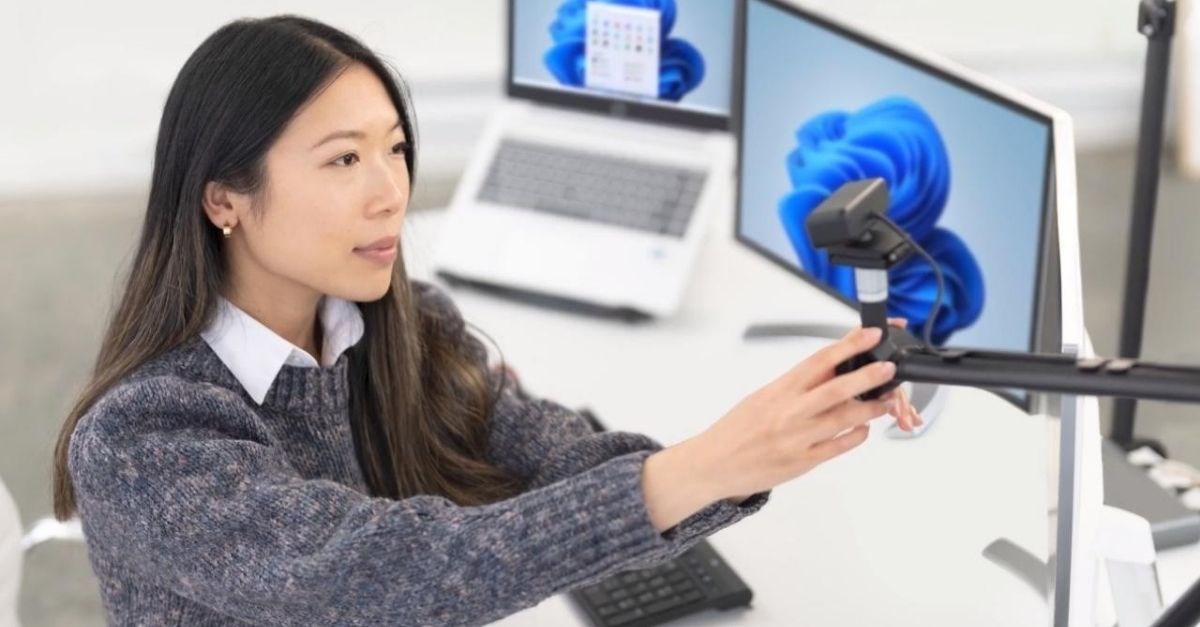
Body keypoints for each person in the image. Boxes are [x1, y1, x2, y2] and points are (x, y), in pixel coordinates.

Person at [50, 15, 921, 626]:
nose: (391, 190)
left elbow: (559, 456)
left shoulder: (406, 330)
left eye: (394, 148)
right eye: (343, 158)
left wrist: (766, 437)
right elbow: (391, 573)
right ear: (223, 199)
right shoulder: (144, 440)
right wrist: (709, 463)